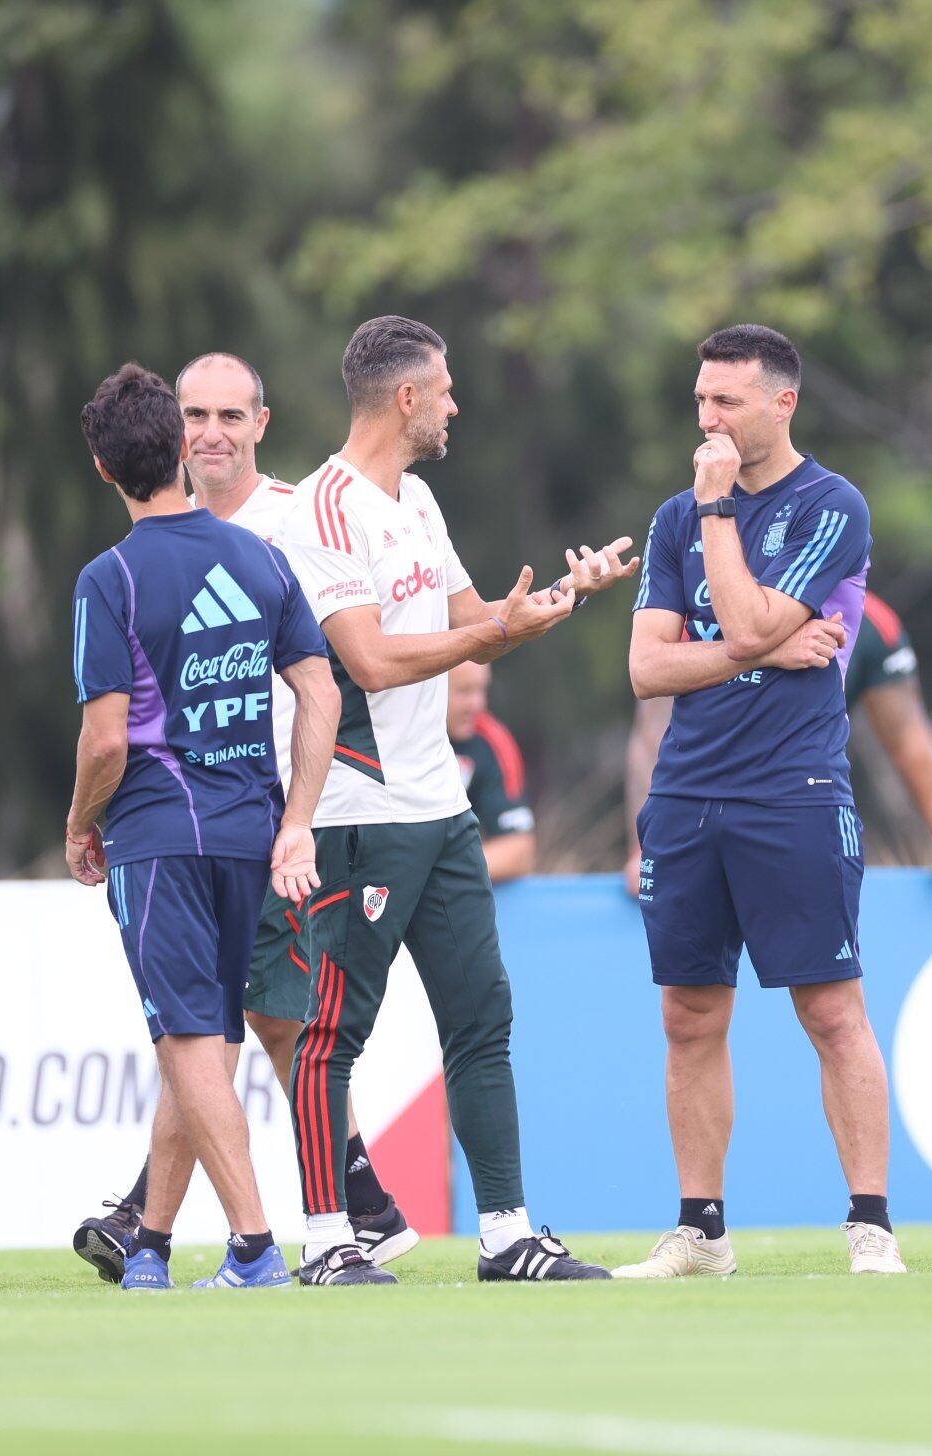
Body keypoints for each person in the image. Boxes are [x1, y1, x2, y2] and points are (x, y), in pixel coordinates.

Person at [277, 315, 632, 1284]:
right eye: (444, 389)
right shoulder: (324, 508)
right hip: (359, 815)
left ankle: (508, 1232)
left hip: (441, 811)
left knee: (483, 1016)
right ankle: (325, 1238)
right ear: (405, 399)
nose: (454, 405)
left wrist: (563, 598)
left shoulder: (420, 501)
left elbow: (478, 624)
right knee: (333, 1032)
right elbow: (373, 659)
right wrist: (483, 637)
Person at [68, 352, 414, 1281]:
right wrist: (294, 815)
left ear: (103, 469)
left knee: (189, 1039)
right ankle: (149, 1241)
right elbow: (320, 687)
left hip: (158, 834)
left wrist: (76, 826)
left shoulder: (112, 578)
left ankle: (258, 1242)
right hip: (250, 835)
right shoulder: (257, 557)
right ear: (181, 447)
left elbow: (106, 742)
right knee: (208, 1036)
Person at [617, 324, 903, 1279]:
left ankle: (870, 1224)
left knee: (830, 1009)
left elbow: (738, 616)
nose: (707, 418)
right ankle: (702, 1231)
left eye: (727, 401)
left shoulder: (834, 506)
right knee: (689, 1016)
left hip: (795, 789)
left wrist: (720, 530)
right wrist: (765, 646)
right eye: (701, 399)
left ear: (782, 402)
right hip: (688, 791)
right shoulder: (672, 519)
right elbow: (647, 668)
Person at [623, 590, 932, 899]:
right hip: (699, 813)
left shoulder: (872, 622)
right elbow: (654, 733)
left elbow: (907, 738)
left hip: (800, 815)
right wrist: (646, 850)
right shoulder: (698, 613)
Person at [447, 660, 537, 882]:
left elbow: (519, 850)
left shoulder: (491, 739)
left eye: (482, 690)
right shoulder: (387, 735)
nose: (478, 705)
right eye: (464, 691)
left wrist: (444, 873)